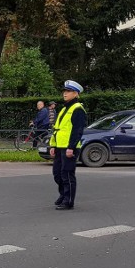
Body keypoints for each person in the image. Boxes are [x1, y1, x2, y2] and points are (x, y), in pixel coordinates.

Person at [49, 81, 87, 210]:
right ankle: (63, 194)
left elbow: (78, 130)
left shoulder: (77, 109)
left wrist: (71, 147)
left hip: (70, 147)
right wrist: (52, 145)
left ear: (76, 93)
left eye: (68, 91)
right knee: (57, 174)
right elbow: (57, 129)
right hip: (60, 146)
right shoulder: (65, 108)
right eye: (64, 91)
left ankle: (68, 200)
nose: (65, 93)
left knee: (67, 174)